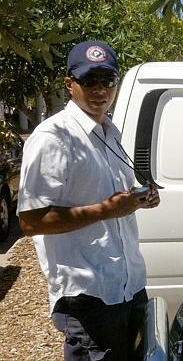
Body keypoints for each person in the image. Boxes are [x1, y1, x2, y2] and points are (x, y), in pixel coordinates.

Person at [17, 40, 160, 360]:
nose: (99, 89)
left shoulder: (110, 132)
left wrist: (139, 199)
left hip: (127, 286)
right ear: (70, 84)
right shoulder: (53, 137)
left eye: (107, 80)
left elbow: (113, 200)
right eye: (89, 79)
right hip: (89, 297)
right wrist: (105, 210)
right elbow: (30, 220)